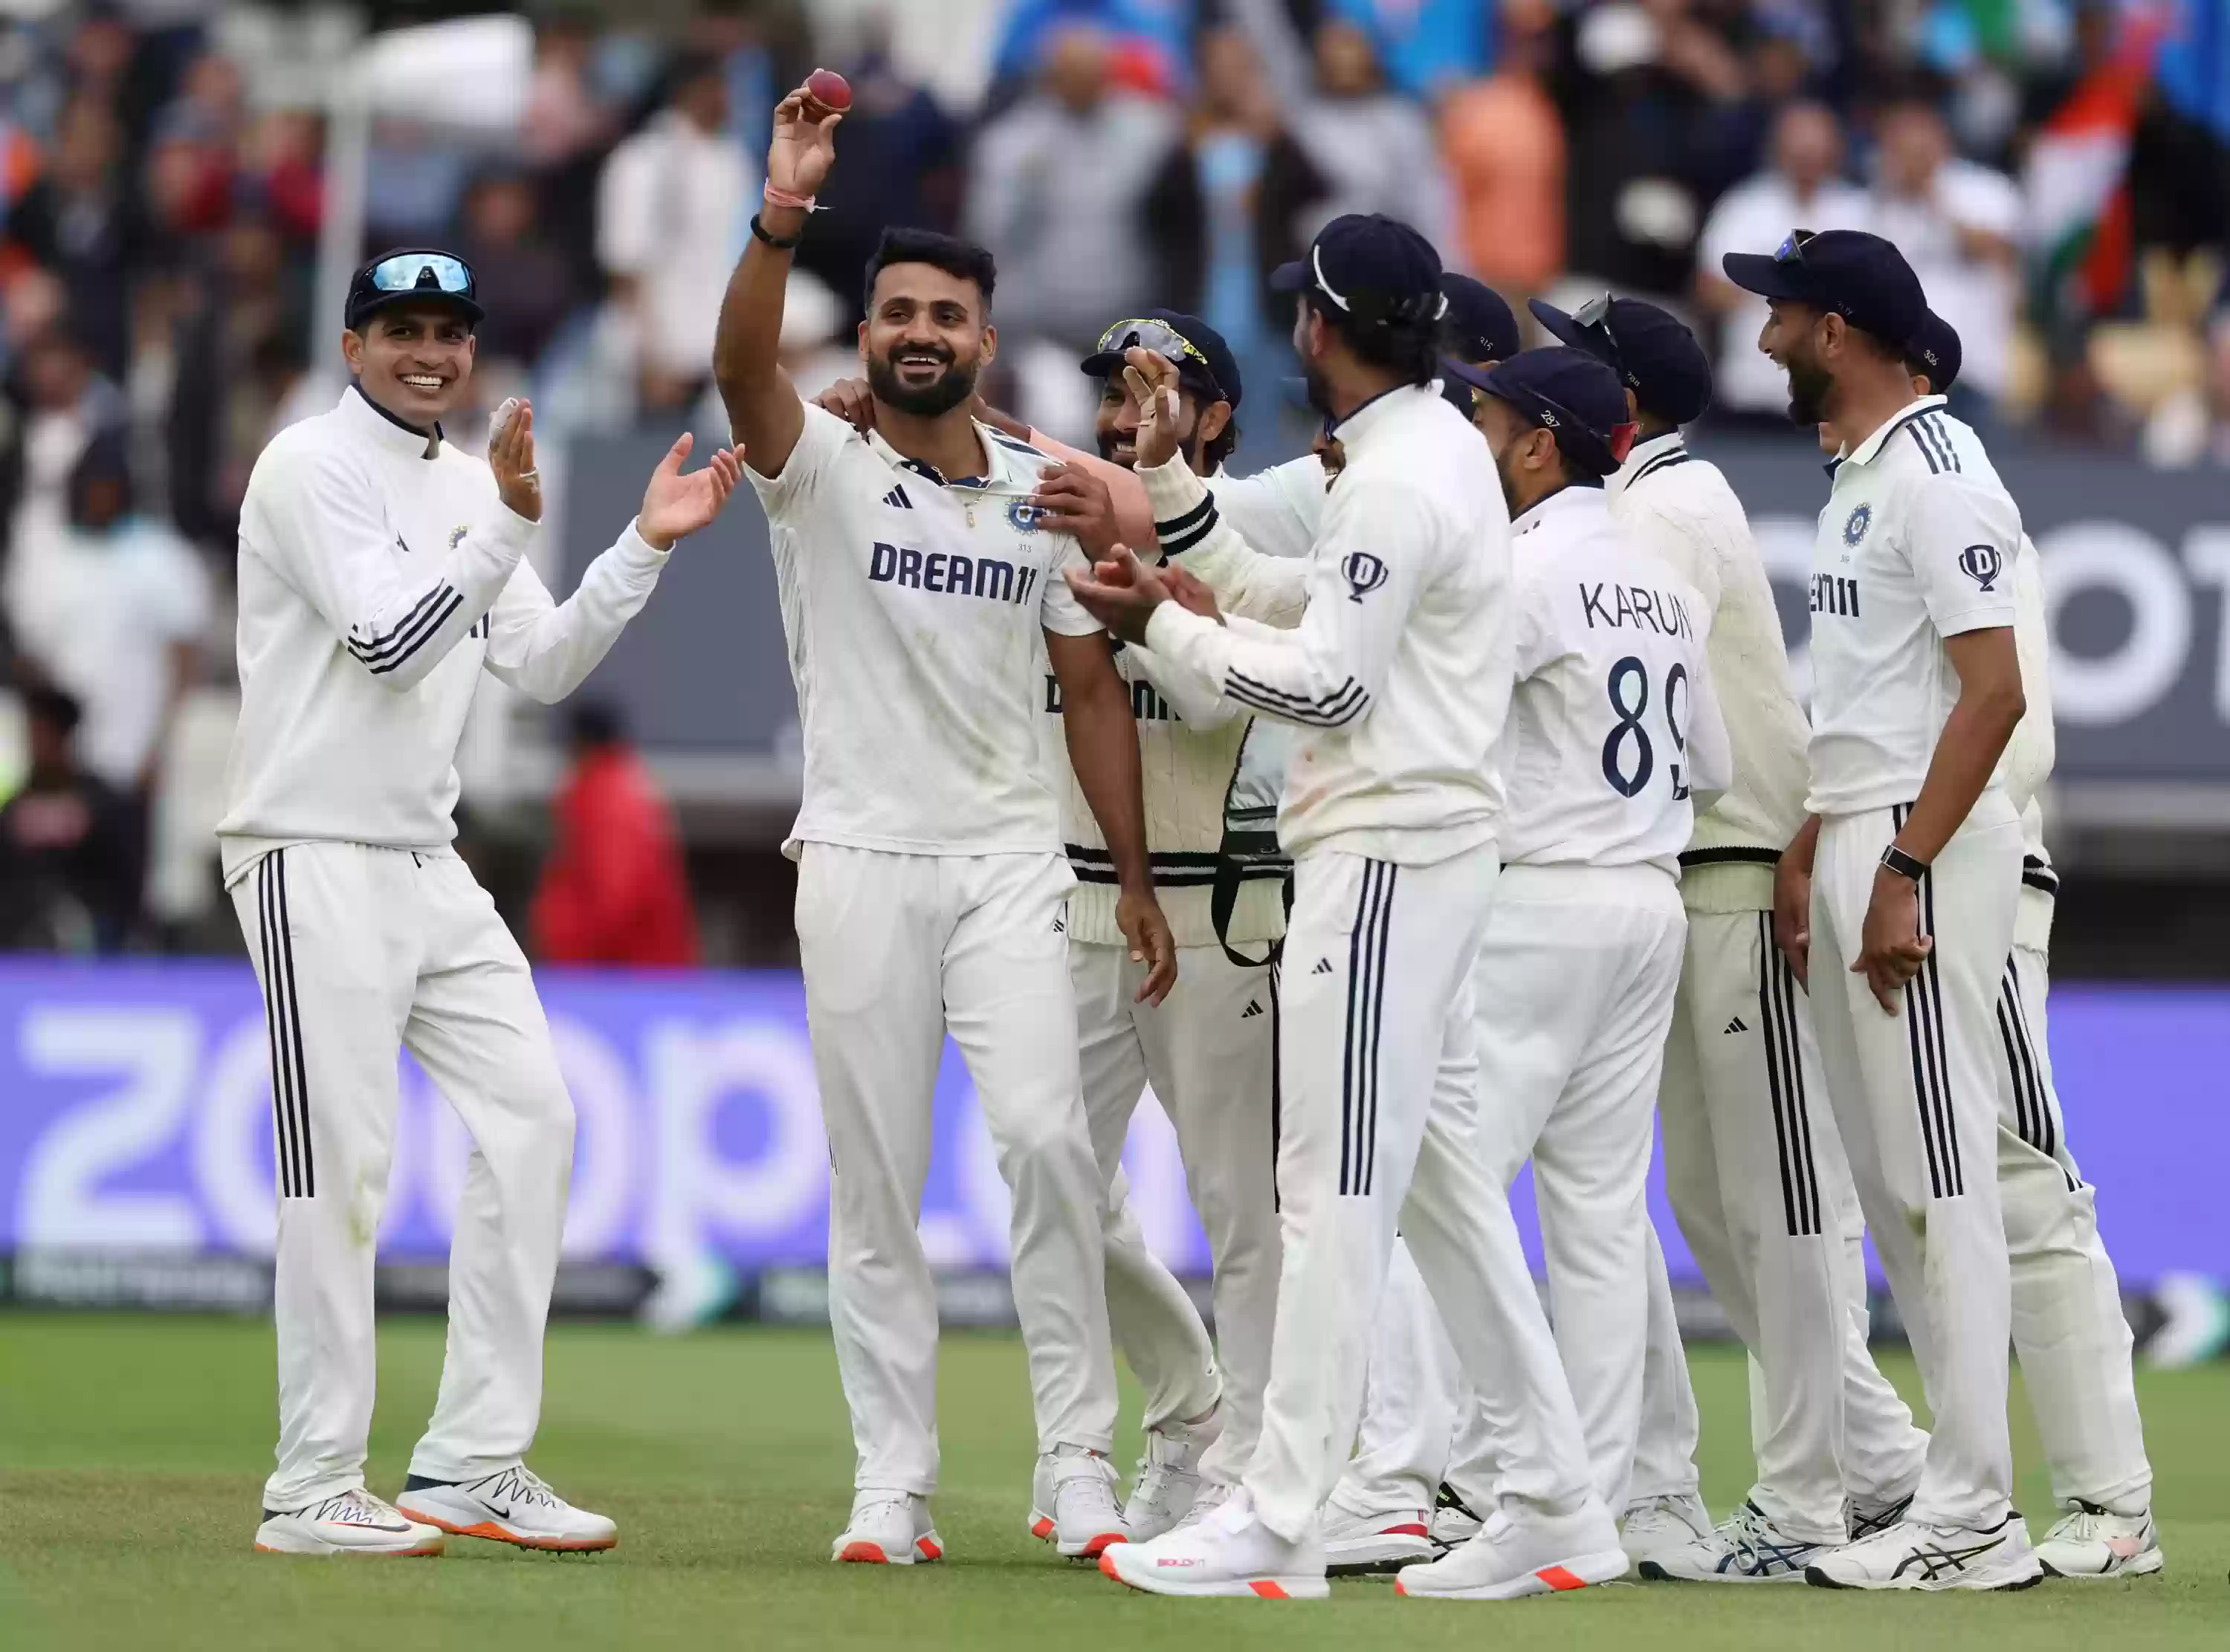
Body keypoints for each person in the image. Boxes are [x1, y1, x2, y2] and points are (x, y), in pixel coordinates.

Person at [1080, 213, 1619, 1602]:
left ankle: (1281, 1509)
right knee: (1441, 1191)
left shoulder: (1396, 475)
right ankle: (1557, 1499)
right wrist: (1179, 521)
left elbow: (1332, 684)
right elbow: (1312, 603)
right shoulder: (1427, 448)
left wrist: (1161, 627)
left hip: (1384, 854)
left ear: (1320, 329)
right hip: (1421, 847)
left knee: (1332, 1189)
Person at [711, 86, 1175, 1568]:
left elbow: (1090, 692)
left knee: (1048, 1145)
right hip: (857, 855)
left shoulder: (1044, 495)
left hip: (1007, 862)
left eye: (947, 316)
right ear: (864, 334)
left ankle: (1079, 1466)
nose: (921, 332)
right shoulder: (821, 467)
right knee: (876, 1187)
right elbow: (740, 370)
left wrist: (1134, 876)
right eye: (899, 312)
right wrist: (783, 210)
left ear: (986, 335)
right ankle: (892, 1483)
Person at [221, 247, 741, 1558]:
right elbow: (391, 646)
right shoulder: (306, 467)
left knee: (534, 1119)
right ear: (353, 345)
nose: (429, 354)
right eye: (401, 330)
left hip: (423, 856)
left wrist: (640, 544)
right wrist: (505, 525)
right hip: (306, 846)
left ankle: (468, 1460)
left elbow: (544, 662)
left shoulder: (471, 481)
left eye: (449, 333)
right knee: (343, 1166)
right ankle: (310, 1484)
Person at [1537, 292, 1929, 1580]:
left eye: (1572, 365)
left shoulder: (1669, 506)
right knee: (1716, 1203)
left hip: (1746, 870)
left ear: (1620, 401)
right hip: (1689, 876)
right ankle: (1884, 1461)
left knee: (1783, 1202)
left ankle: (1811, 1496)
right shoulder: (1643, 499)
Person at [1725, 227, 2036, 1591]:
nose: (1764, 335)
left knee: (1944, 1174)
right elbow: (1872, 697)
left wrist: (1902, 866)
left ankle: (1976, 1516)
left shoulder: (1939, 471)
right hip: (1867, 827)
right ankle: (1944, 1495)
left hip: (1923, 846)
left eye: (1781, 313)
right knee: (1899, 1180)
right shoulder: (1863, 471)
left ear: (1839, 330)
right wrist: (1817, 840)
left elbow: (1994, 692)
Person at [1426, 340, 1730, 1534]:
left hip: (1541, 896)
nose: (1476, 438)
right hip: (1647, 897)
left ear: (1540, 445)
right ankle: (1590, 1500)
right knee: (1600, 1216)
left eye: (1489, 421)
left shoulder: (1518, 568)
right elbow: (1715, 764)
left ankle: (1429, 1475)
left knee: (1448, 1188)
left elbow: (1444, 722)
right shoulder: (1661, 579)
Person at [1896, 314, 2160, 1580]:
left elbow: (2024, 732)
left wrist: (1915, 849)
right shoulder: (1880, 498)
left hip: (1982, 880)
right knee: (1954, 1179)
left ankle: (2112, 1498)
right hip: (1918, 877)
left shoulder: (1959, 494)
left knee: (2026, 1175)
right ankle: (1947, 1486)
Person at [1694, 101, 1870, 428]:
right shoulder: (1743, 206)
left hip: (1835, 400)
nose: (1807, 158)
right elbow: (1709, 287)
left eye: (1816, 149)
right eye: (1799, 148)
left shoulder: (1860, 210)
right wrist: (1787, 299)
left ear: (1835, 150)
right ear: (1778, 148)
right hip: (1752, 393)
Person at [596, 62, 750, 413]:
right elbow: (627, 267)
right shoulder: (643, 161)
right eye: (722, 89)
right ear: (693, 92)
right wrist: (649, 356)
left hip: (722, 347)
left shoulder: (732, 159)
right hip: (659, 355)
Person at [529, 701, 699, 968]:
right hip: (636, 969)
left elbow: (616, 897)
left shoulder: (604, 797)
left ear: (581, 742)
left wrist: (572, 949)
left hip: (620, 974)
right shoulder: (624, 785)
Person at [0, 685, 140, 953]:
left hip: (93, 932)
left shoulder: (102, 800)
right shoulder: (16, 802)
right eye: (32, 733)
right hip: (21, 936)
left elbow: (124, 876)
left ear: (63, 736)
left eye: (44, 734)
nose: (36, 743)